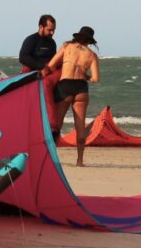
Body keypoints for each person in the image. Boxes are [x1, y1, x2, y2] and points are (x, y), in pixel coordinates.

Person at [42, 26, 100, 167]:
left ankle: (52, 158)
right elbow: (95, 78)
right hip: (81, 88)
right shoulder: (92, 55)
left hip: (65, 86)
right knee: (80, 126)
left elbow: (51, 65)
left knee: (57, 125)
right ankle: (80, 160)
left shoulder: (67, 46)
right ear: (90, 41)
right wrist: (84, 75)